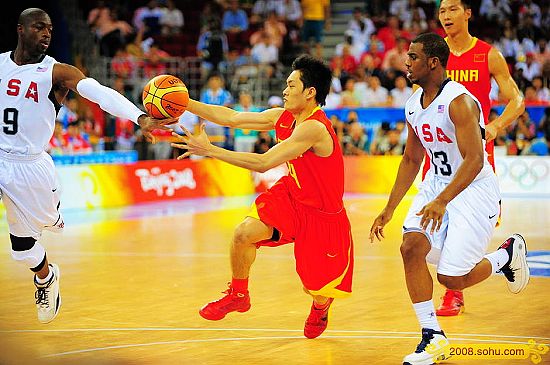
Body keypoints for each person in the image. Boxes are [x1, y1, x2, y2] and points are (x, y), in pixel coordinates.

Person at [0, 8, 175, 324]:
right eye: (39, 27)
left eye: (50, 29)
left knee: (24, 249)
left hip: (30, 167)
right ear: (20, 29)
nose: (46, 33)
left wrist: (139, 117)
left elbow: (97, 93)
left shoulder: (55, 73)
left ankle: (45, 276)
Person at [369, 33, 529, 365]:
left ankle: (505, 256)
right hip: (436, 184)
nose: (406, 62)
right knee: (410, 247)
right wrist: (389, 208)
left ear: (434, 63)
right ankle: (432, 336)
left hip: (472, 189)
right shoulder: (413, 103)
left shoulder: (460, 101)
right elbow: (412, 159)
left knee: (451, 278)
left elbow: (475, 160)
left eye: (413, 57)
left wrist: (442, 201)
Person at [171, 54, 354, 339]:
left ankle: (320, 306)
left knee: (315, 287)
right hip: (291, 198)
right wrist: (182, 102)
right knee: (243, 233)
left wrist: (211, 151)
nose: (284, 91)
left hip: (322, 216)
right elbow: (230, 117)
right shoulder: (282, 117)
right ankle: (238, 294)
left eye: (291, 86)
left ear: (310, 92)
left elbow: (264, 162)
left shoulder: (314, 128)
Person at [432, 0, 525, 316]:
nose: (446, 16)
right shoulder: (434, 53)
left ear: (468, 13)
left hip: (475, 157)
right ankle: (494, 262)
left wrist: (497, 124)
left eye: (452, 9)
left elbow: (517, 100)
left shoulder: (488, 55)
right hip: (441, 156)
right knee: (438, 226)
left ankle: (452, 292)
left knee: (463, 225)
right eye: (442, 11)